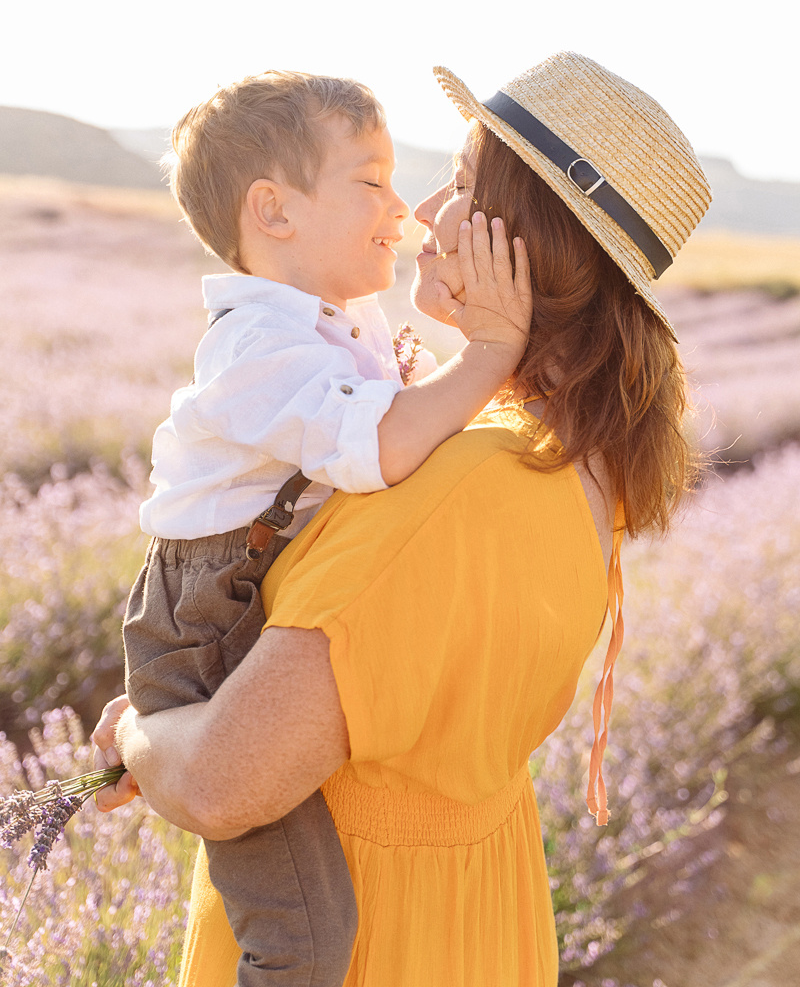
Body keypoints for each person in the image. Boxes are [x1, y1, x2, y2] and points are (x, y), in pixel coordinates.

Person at [94, 51, 712, 987]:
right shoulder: (554, 448)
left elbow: (222, 780)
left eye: (460, 185)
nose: (418, 213)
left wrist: (148, 729)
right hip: (472, 916)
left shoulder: (457, 488)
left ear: (530, 241)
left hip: (379, 936)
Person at [120, 69, 532, 987]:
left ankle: (156, 732)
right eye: (371, 181)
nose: (405, 208)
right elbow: (380, 447)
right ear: (274, 213)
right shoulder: (256, 347)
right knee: (303, 934)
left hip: (245, 602)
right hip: (208, 625)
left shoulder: (344, 319)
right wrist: (496, 354)